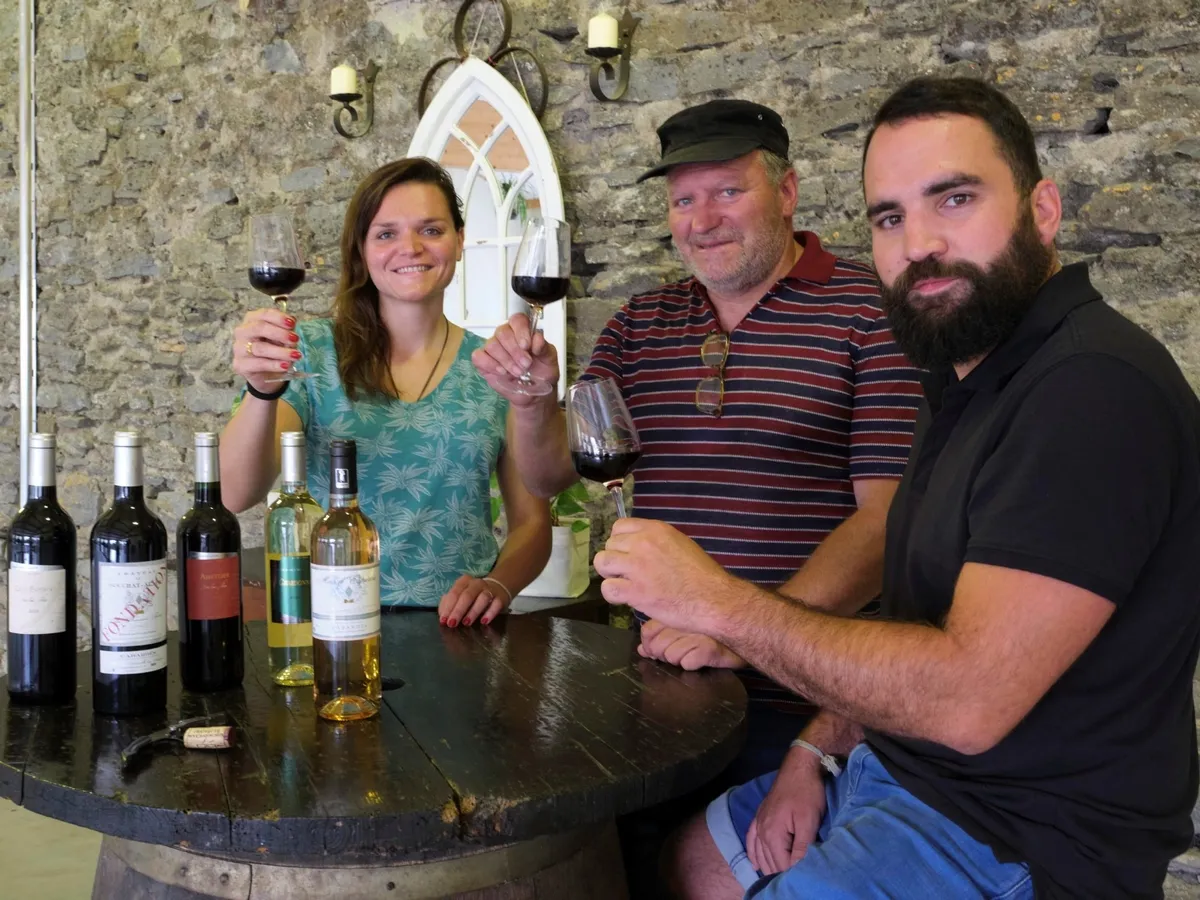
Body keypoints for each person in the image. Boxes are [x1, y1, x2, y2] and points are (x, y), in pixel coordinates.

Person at [595, 76, 1200, 900]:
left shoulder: (1090, 389)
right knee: (677, 864)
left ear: (1043, 210)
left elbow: (963, 699)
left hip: (1018, 835)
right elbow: (915, 629)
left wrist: (719, 605)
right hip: (896, 768)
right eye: (890, 217)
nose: (919, 243)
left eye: (954, 199)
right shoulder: (964, 378)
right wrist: (815, 751)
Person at [474, 99, 923, 777]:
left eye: (728, 192)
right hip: (654, 679)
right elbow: (549, 476)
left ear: (788, 191)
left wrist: (743, 627)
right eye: (684, 200)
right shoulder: (639, 323)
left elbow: (888, 519)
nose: (703, 219)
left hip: (806, 701)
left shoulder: (869, 313)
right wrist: (532, 401)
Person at [221, 157, 551, 625]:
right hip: (330, 625)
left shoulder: (495, 366)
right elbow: (235, 493)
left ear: (458, 242)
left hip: (457, 633)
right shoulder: (309, 352)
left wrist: (498, 584)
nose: (410, 247)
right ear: (361, 251)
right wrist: (261, 391)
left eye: (431, 230)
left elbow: (533, 525)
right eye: (386, 233)